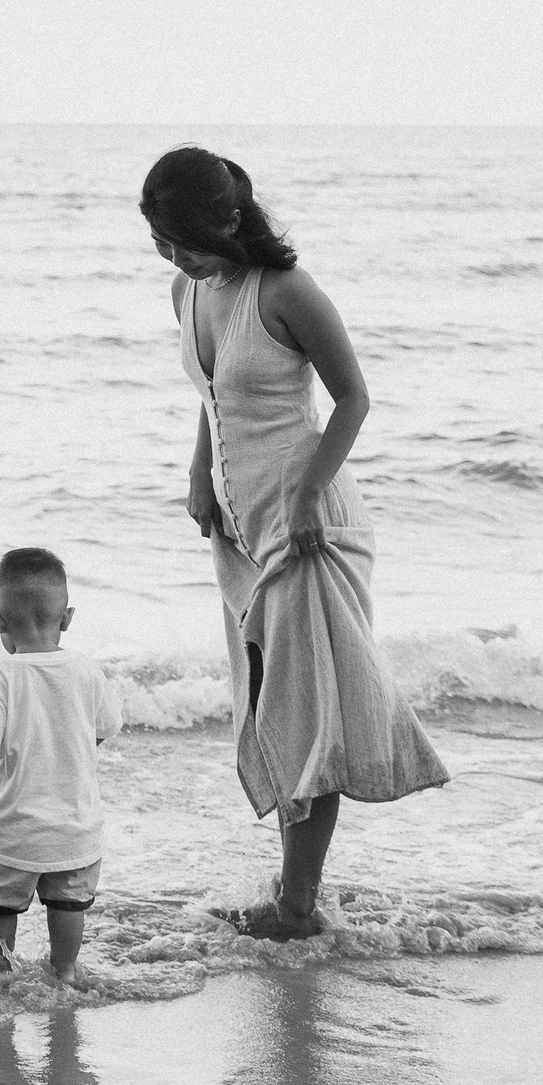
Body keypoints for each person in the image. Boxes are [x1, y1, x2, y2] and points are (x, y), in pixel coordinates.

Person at [142, 145, 447, 940]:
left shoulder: (286, 291)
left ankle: (297, 906)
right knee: (270, 709)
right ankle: (294, 895)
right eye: (161, 244)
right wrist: (199, 469)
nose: (174, 259)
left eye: (183, 241)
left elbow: (353, 398)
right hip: (239, 527)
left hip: (307, 526)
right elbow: (213, 394)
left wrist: (311, 492)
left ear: (226, 221)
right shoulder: (186, 291)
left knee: (310, 716)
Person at [0, 547, 122, 985]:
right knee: (68, 906)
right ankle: (65, 969)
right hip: (75, 829)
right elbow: (102, 728)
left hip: (15, 831)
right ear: (67, 618)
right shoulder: (86, 670)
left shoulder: (1, 677)